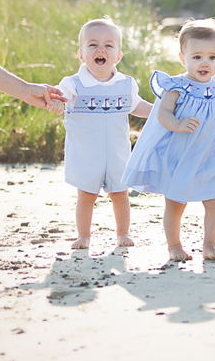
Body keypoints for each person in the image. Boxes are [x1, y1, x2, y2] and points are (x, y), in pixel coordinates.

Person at [122, 20, 215, 263]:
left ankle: (210, 245)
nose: (205, 63)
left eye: (212, 57)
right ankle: (174, 246)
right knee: (175, 203)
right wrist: (178, 124)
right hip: (181, 155)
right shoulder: (177, 87)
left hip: (214, 154)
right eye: (197, 57)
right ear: (182, 57)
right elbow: (162, 113)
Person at [46, 17, 155, 250]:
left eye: (109, 45)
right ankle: (84, 235)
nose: (100, 49)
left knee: (120, 194)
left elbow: (136, 106)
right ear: (81, 54)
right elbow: (60, 96)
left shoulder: (126, 84)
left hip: (117, 153)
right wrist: (57, 103)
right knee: (86, 195)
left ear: (118, 56)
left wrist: (158, 112)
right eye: (92, 44)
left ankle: (123, 232)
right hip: (86, 155)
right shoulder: (74, 83)